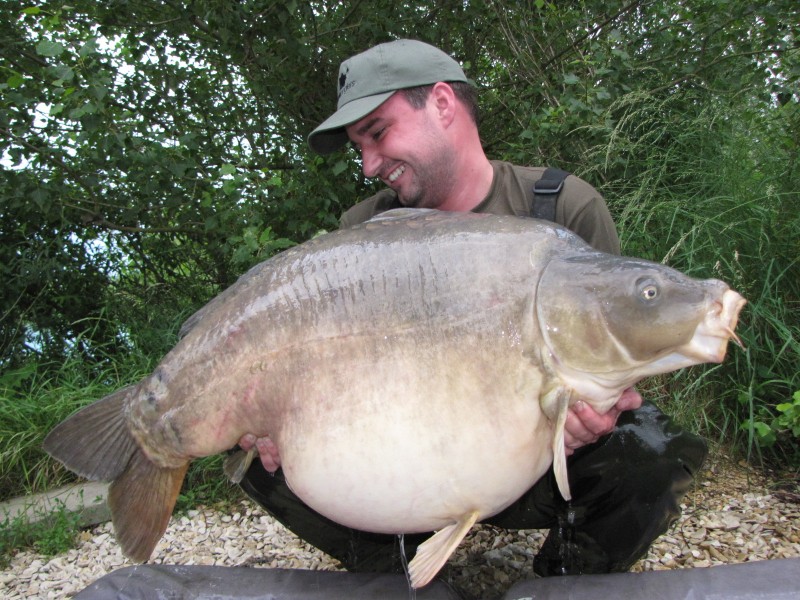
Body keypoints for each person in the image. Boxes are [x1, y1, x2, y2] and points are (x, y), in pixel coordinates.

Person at [237, 39, 707, 579]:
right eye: (357, 146)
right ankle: (398, 574)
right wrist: (279, 418)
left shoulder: (563, 207)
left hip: (542, 462)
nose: (367, 165)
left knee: (651, 449)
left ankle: (565, 582)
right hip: (414, 459)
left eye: (378, 133)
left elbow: (615, 358)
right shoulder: (362, 236)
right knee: (242, 444)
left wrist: (595, 417)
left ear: (441, 104)